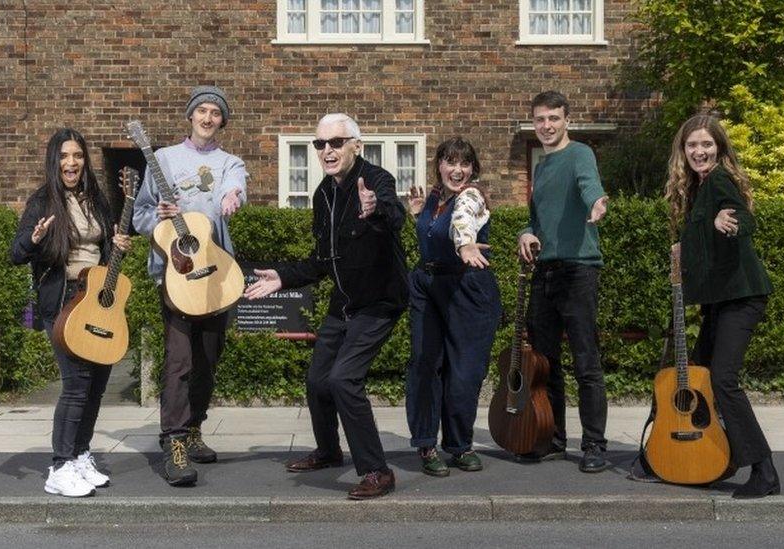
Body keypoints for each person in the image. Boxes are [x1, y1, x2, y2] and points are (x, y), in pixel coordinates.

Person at [244, 113, 408, 500]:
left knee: (344, 380)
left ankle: (377, 471)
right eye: (320, 144)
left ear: (356, 145)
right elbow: (322, 261)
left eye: (336, 142)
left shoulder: (376, 179)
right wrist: (283, 276)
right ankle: (330, 451)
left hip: (379, 301)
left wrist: (377, 208)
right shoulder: (323, 194)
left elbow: (395, 215)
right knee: (318, 379)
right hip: (344, 303)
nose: (327, 151)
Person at [132, 85, 247, 486]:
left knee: (207, 361)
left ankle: (194, 426)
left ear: (222, 122)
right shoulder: (162, 159)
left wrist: (233, 195)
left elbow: (236, 187)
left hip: (216, 275)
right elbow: (140, 215)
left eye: (216, 112)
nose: (208, 117)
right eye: (202, 110)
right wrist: (160, 215)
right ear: (190, 116)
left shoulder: (230, 162)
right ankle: (175, 441)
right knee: (179, 360)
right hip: (179, 275)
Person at [10, 128, 131, 497]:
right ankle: (60, 466)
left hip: (97, 302)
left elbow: (106, 255)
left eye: (77, 155)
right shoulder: (43, 201)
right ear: (54, 160)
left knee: (96, 387)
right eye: (64, 156)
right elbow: (16, 253)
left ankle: (80, 453)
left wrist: (118, 245)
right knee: (76, 385)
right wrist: (34, 239)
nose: (71, 162)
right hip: (63, 303)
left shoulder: (95, 199)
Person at [665, 113, 778, 498]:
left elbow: (744, 219)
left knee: (723, 380)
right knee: (697, 377)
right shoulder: (697, 187)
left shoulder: (720, 183)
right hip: (718, 301)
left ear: (719, 148)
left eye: (707, 144)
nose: (699, 151)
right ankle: (714, 458)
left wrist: (727, 223)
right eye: (692, 145)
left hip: (742, 297)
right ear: (684, 150)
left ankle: (764, 472)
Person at [517, 90, 612, 473]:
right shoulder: (541, 166)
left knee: (586, 361)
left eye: (553, 119)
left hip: (578, 270)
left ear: (566, 120)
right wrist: (526, 232)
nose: (546, 126)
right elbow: (538, 220)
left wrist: (597, 202)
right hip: (546, 272)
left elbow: (590, 185)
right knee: (546, 363)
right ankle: (554, 438)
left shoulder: (580, 154)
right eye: (540, 119)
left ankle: (594, 445)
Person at [405, 137, 501, 477]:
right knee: (424, 362)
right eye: (450, 162)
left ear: (473, 169)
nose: (457, 170)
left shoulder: (471, 197)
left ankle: (460, 445)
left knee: (465, 372)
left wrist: (464, 245)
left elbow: (463, 221)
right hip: (428, 285)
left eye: (464, 164)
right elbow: (434, 231)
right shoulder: (433, 198)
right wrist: (419, 215)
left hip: (468, 288)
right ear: (439, 166)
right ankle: (427, 443)